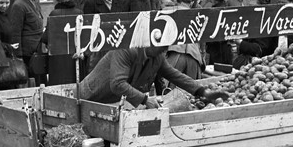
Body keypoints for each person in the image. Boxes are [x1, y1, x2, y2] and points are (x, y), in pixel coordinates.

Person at [78, 44, 225, 109]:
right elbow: (117, 84)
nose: (166, 48)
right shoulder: (125, 50)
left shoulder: (157, 56)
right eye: (162, 45)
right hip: (91, 96)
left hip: (113, 102)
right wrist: (145, 100)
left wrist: (202, 91)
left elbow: (175, 75)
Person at [10, 0, 44, 83]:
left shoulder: (34, 0)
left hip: (37, 47)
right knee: (30, 79)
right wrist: (18, 56)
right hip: (27, 51)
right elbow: (16, 31)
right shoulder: (18, 5)